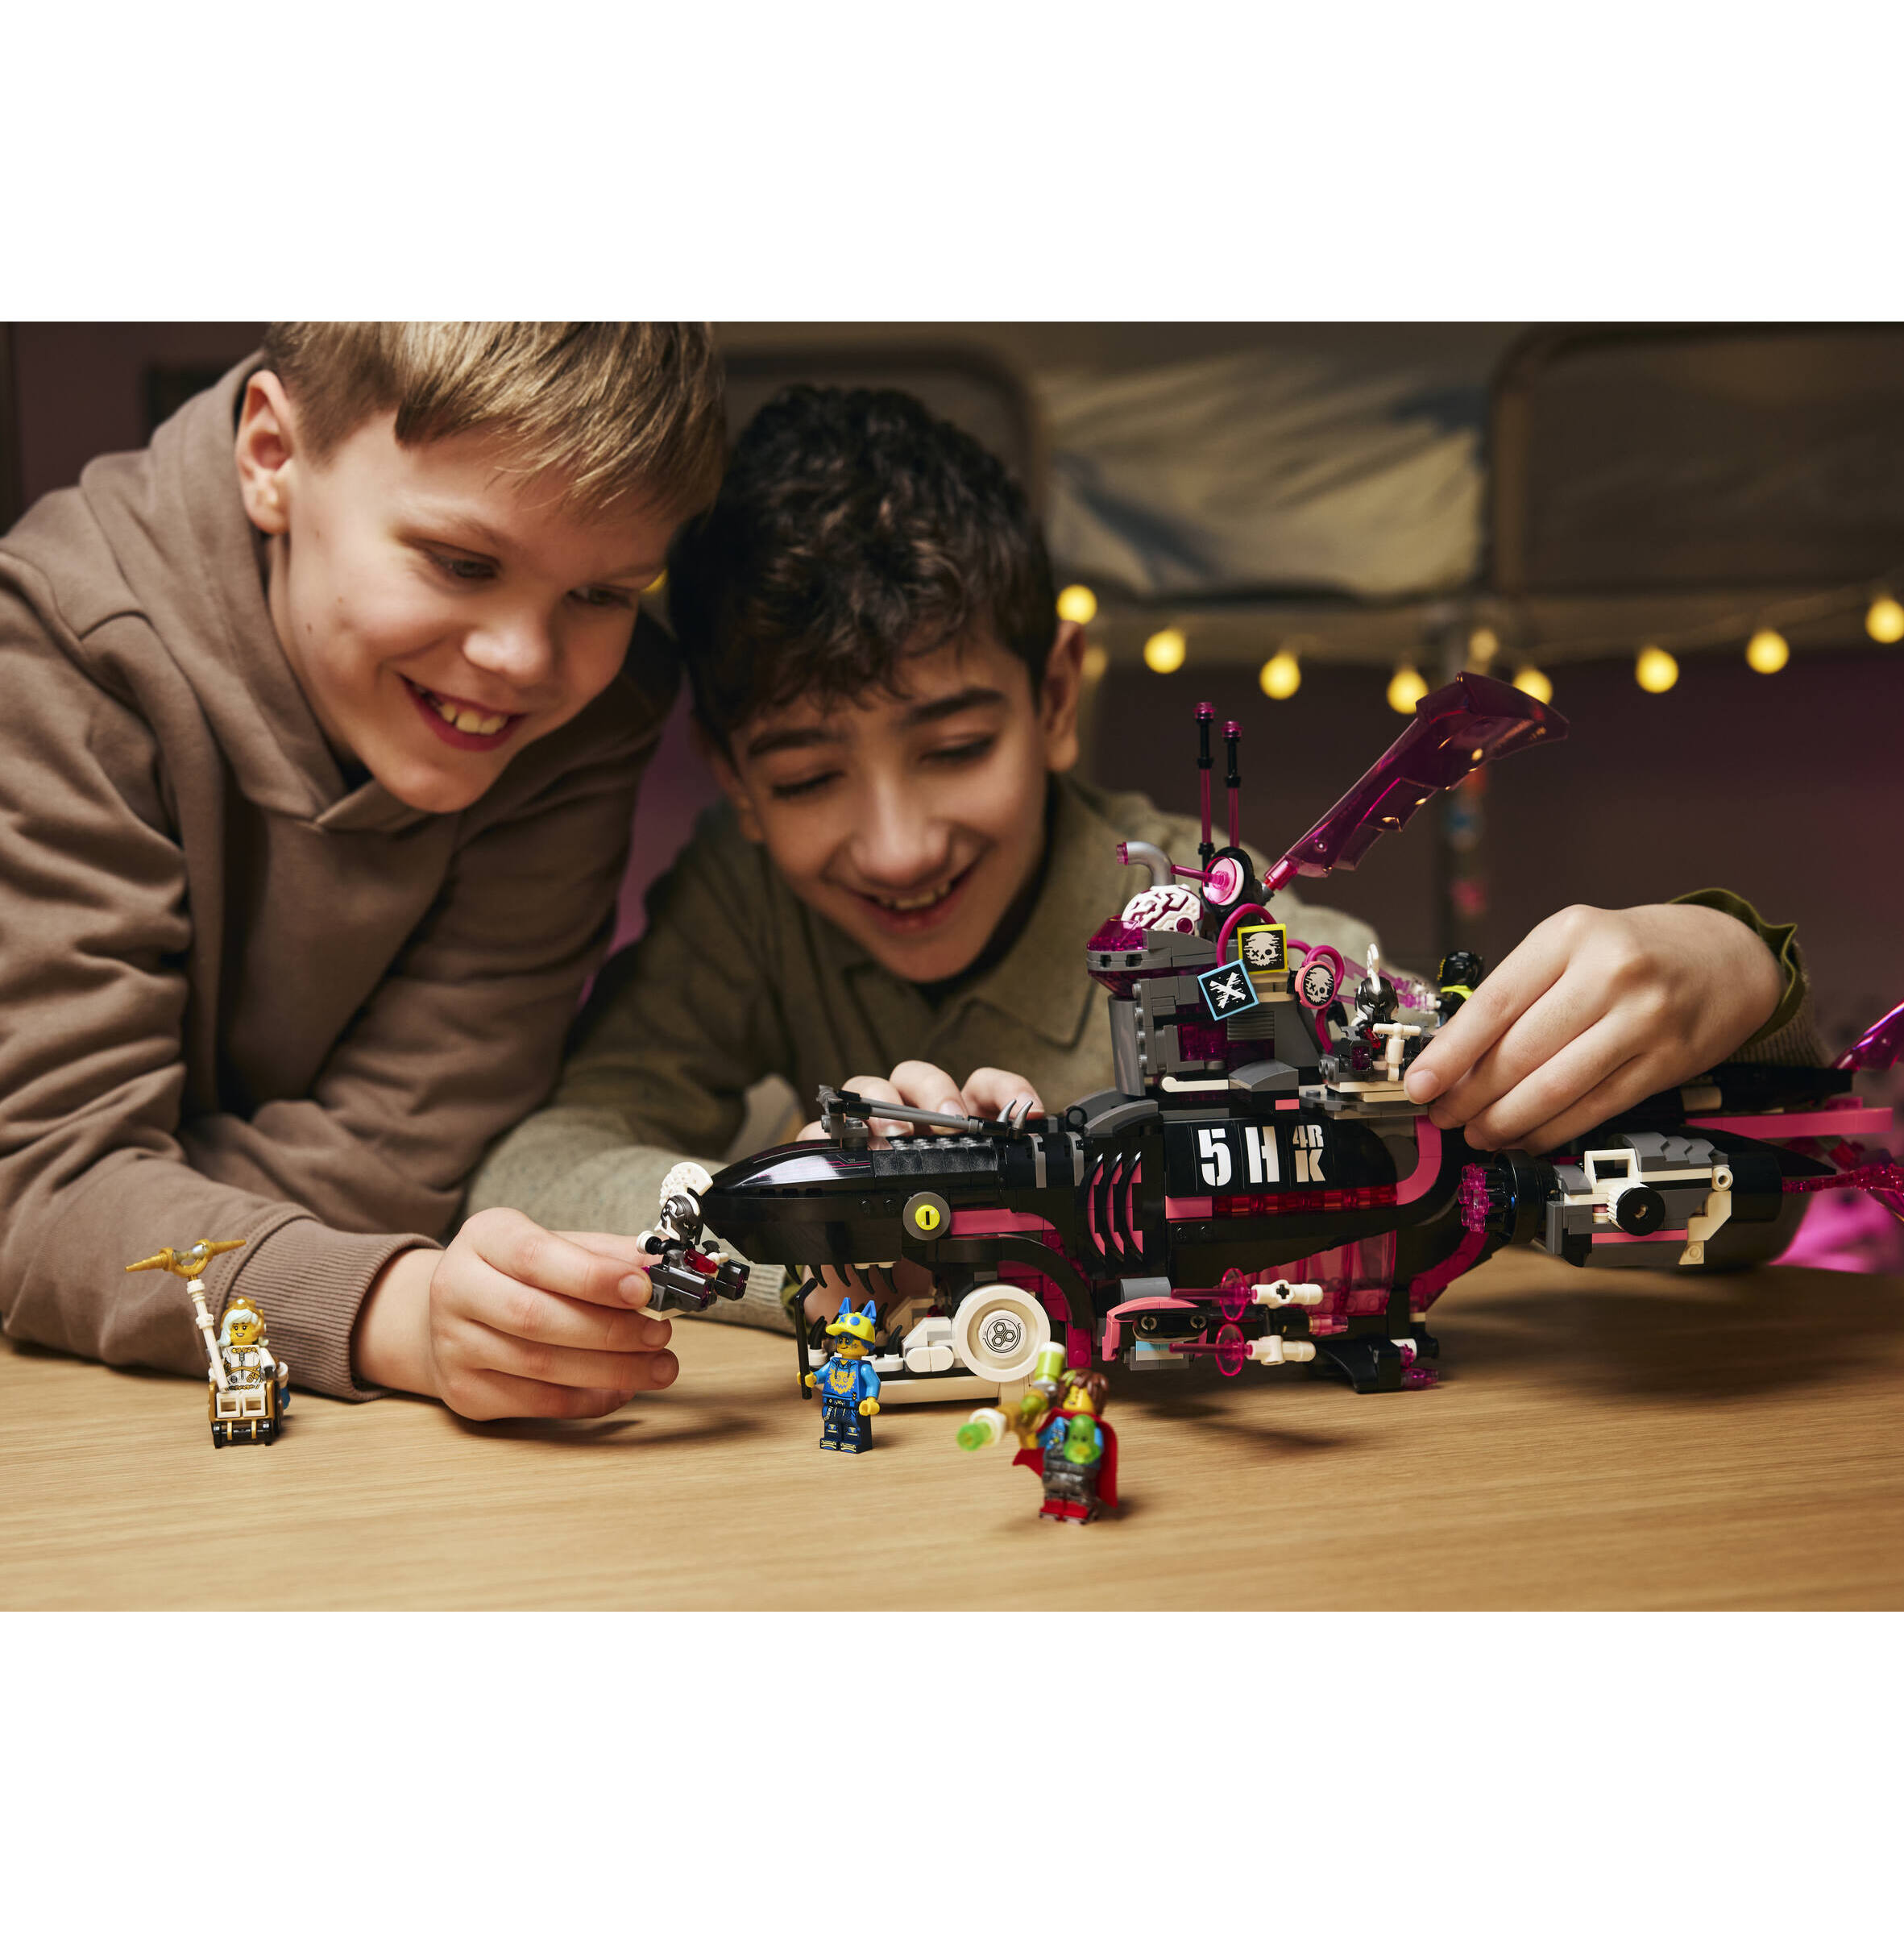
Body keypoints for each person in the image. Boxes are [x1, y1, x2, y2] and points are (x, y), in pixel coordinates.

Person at [466, 384, 1821, 1327]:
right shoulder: (744, 900)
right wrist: (824, 1233)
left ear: (1058, 695)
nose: (896, 842)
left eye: (954, 747)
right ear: (735, 784)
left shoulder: (1226, 934)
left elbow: (1743, 1219)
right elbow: (538, 1166)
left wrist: (1739, 971)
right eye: (810, 777)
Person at [0, 322, 726, 1422]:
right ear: (272, 458)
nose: (524, 659)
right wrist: (390, 1307)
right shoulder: (60, 637)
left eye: (603, 595)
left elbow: (400, 1147)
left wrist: (118, 1225)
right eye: (461, 563)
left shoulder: (588, 713)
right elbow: (43, 1184)